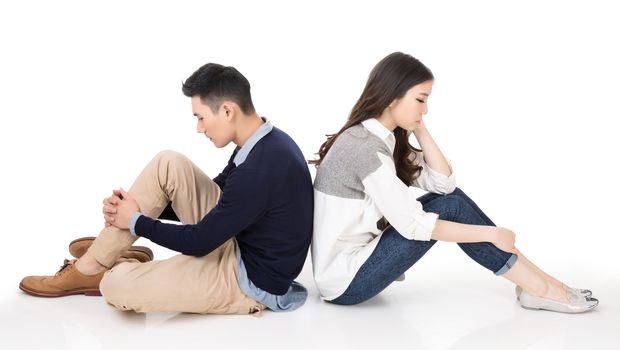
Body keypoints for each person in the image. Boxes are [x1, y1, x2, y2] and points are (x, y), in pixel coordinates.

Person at [309, 52, 598, 313]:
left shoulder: (377, 139)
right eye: (420, 100)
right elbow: (413, 226)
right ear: (392, 97)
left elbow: (443, 184)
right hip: (346, 281)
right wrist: (491, 235)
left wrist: (419, 128)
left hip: (357, 262)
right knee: (451, 209)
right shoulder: (364, 149)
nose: (425, 110)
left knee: (453, 200)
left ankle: (538, 282)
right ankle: (539, 287)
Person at [19, 63, 314, 315]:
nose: (199, 128)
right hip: (238, 239)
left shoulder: (259, 171)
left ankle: (107, 267)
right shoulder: (262, 141)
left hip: (249, 281)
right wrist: (135, 211)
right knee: (168, 163)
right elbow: (223, 199)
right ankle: (93, 263)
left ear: (227, 111)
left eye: (200, 117)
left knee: (116, 286)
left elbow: (200, 241)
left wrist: (136, 221)